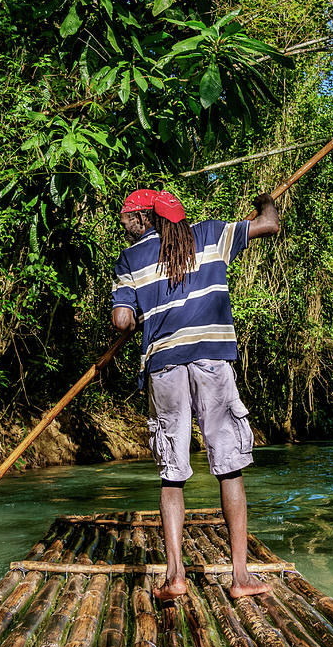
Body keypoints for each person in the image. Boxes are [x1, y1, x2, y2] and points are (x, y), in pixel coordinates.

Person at [111, 188, 279, 600]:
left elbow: (122, 322)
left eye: (126, 218)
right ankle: (240, 579)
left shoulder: (131, 260)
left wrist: (132, 311)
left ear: (144, 218)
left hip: (165, 367)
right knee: (229, 467)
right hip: (212, 362)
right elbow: (269, 223)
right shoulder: (210, 235)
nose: (123, 225)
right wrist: (265, 200)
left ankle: (176, 578)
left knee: (172, 475)